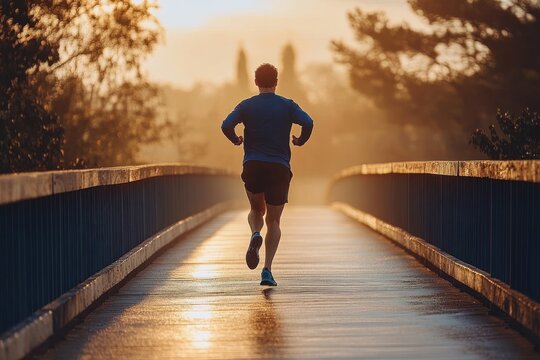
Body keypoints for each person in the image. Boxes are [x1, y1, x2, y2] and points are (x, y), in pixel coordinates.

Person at [221, 63, 313, 286]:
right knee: (274, 221)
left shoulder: (246, 105)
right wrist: (300, 140)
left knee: (255, 210)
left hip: (253, 164)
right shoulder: (287, 106)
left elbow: (226, 125)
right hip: (279, 167)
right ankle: (267, 270)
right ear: (276, 81)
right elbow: (308, 122)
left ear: (255, 82)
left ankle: (254, 233)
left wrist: (236, 140)